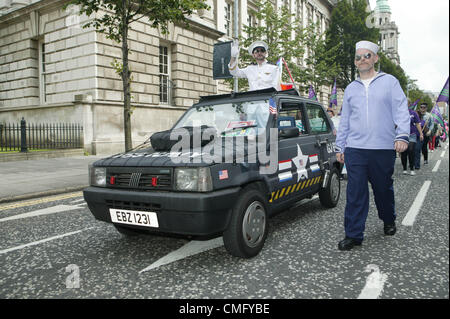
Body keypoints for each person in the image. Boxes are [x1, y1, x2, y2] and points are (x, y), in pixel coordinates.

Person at [334, 40, 410, 251]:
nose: (362, 60)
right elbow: (345, 119)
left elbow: (401, 110)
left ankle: (388, 219)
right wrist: (340, 147)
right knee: (355, 192)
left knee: (382, 189)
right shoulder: (351, 88)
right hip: (356, 149)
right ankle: (354, 234)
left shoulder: (390, 82)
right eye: (358, 57)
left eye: (367, 56)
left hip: (383, 148)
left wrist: (402, 135)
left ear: (376, 58)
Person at [401, 108, 423, 175]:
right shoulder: (400, 112)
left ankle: (412, 169)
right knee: (404, 151)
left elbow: (417, 124)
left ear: (409, 104)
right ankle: (404, 168)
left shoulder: (413, 113)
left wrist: (421, 134)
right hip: (402, 134)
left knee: (411, 150)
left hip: (412, 134)